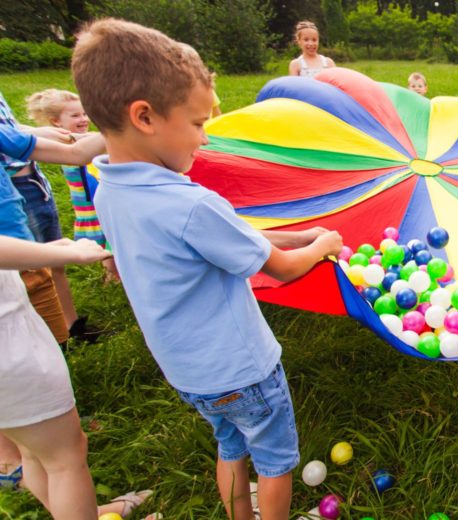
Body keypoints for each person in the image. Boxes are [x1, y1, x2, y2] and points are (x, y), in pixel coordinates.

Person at [72, 19, 344, 520]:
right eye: (198, 124)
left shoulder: (110, 188)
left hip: (189, 372)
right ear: (146, 116)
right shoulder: (192, 203)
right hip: (245, 369)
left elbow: (219, 243)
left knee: (231, 447)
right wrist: (321, 242)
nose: (204, 139)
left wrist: (294, 234)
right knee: (276, 463)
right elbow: (282, 271)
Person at [0, 124, 153, 520]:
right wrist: (66, 255)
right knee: (65, 458)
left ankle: (79, 509)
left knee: (35, 449)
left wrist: (44, 249)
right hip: (9, 343)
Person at [1, 91, 102, 343]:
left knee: (42, 281)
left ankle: (63, 336)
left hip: (29, 198)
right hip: (12, 254)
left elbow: (74, 153)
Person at [26, 89, 117, 279]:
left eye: (84, 113)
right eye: (75, 115)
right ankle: (111, 273)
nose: (83, 119)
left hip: (97, 197)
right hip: (88, 202)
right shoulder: (65, 144)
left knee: (109, 236)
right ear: (56, 121)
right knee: (106, 236)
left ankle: (112, 274)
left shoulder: (85, 138)